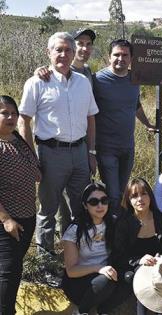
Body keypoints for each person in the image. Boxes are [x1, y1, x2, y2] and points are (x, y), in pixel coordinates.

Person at [18, 32, 99, 256]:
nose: (63, 54)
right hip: (50, 154)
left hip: (80, 153)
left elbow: (91, 117)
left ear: (74, 54)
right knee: (48, 211)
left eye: (68, 50)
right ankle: (45, 262)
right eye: (58, 50)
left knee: (79, 209)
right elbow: (23, 120)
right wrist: (31, 159)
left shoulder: (83, 82)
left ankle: (73, 256)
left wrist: (91, 152)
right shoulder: (37, 83)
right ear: (49, 53)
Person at [93, 39, 155, 210]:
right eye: (116, 55)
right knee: (113, 194)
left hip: (128, 146)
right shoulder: (96, 80)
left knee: (121, 192)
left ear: (131, 59)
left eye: (125, 55)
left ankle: (116, 229)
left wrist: (147, 124)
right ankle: (110, 232)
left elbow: (135, 104)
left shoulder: (133, 79)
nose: (120, 58)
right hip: (106, 148)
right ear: (109, 57)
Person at [62, 183, 129, 315]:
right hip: (79, 282)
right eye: (94, 202)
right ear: (85, 205)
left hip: (105, 275)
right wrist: (98, 268)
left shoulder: (113, 223)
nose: (100, 206)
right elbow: (71, 271)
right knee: (106, 279)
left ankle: (102, 311)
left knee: (130, 278)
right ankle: (81, 312)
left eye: (104, 201)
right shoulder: (75, 230)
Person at [0, 95, 40, 314]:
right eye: (4, 113)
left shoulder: (17, 140)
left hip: (27, 217)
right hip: (7, 222)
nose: (11, 117)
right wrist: (6, 219)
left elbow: (36, 174)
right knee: (7, 271)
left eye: (14, 113)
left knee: (14, 269)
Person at [113, 177, 162, 315]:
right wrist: (139, 260)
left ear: (150, 195)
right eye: (134, 196)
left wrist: (161, 258)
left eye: (144, 193)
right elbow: (118, 255)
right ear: (128, 200)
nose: (140, 199)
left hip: (160, 265)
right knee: (143, 276)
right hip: (133, 268)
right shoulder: (123, 223)